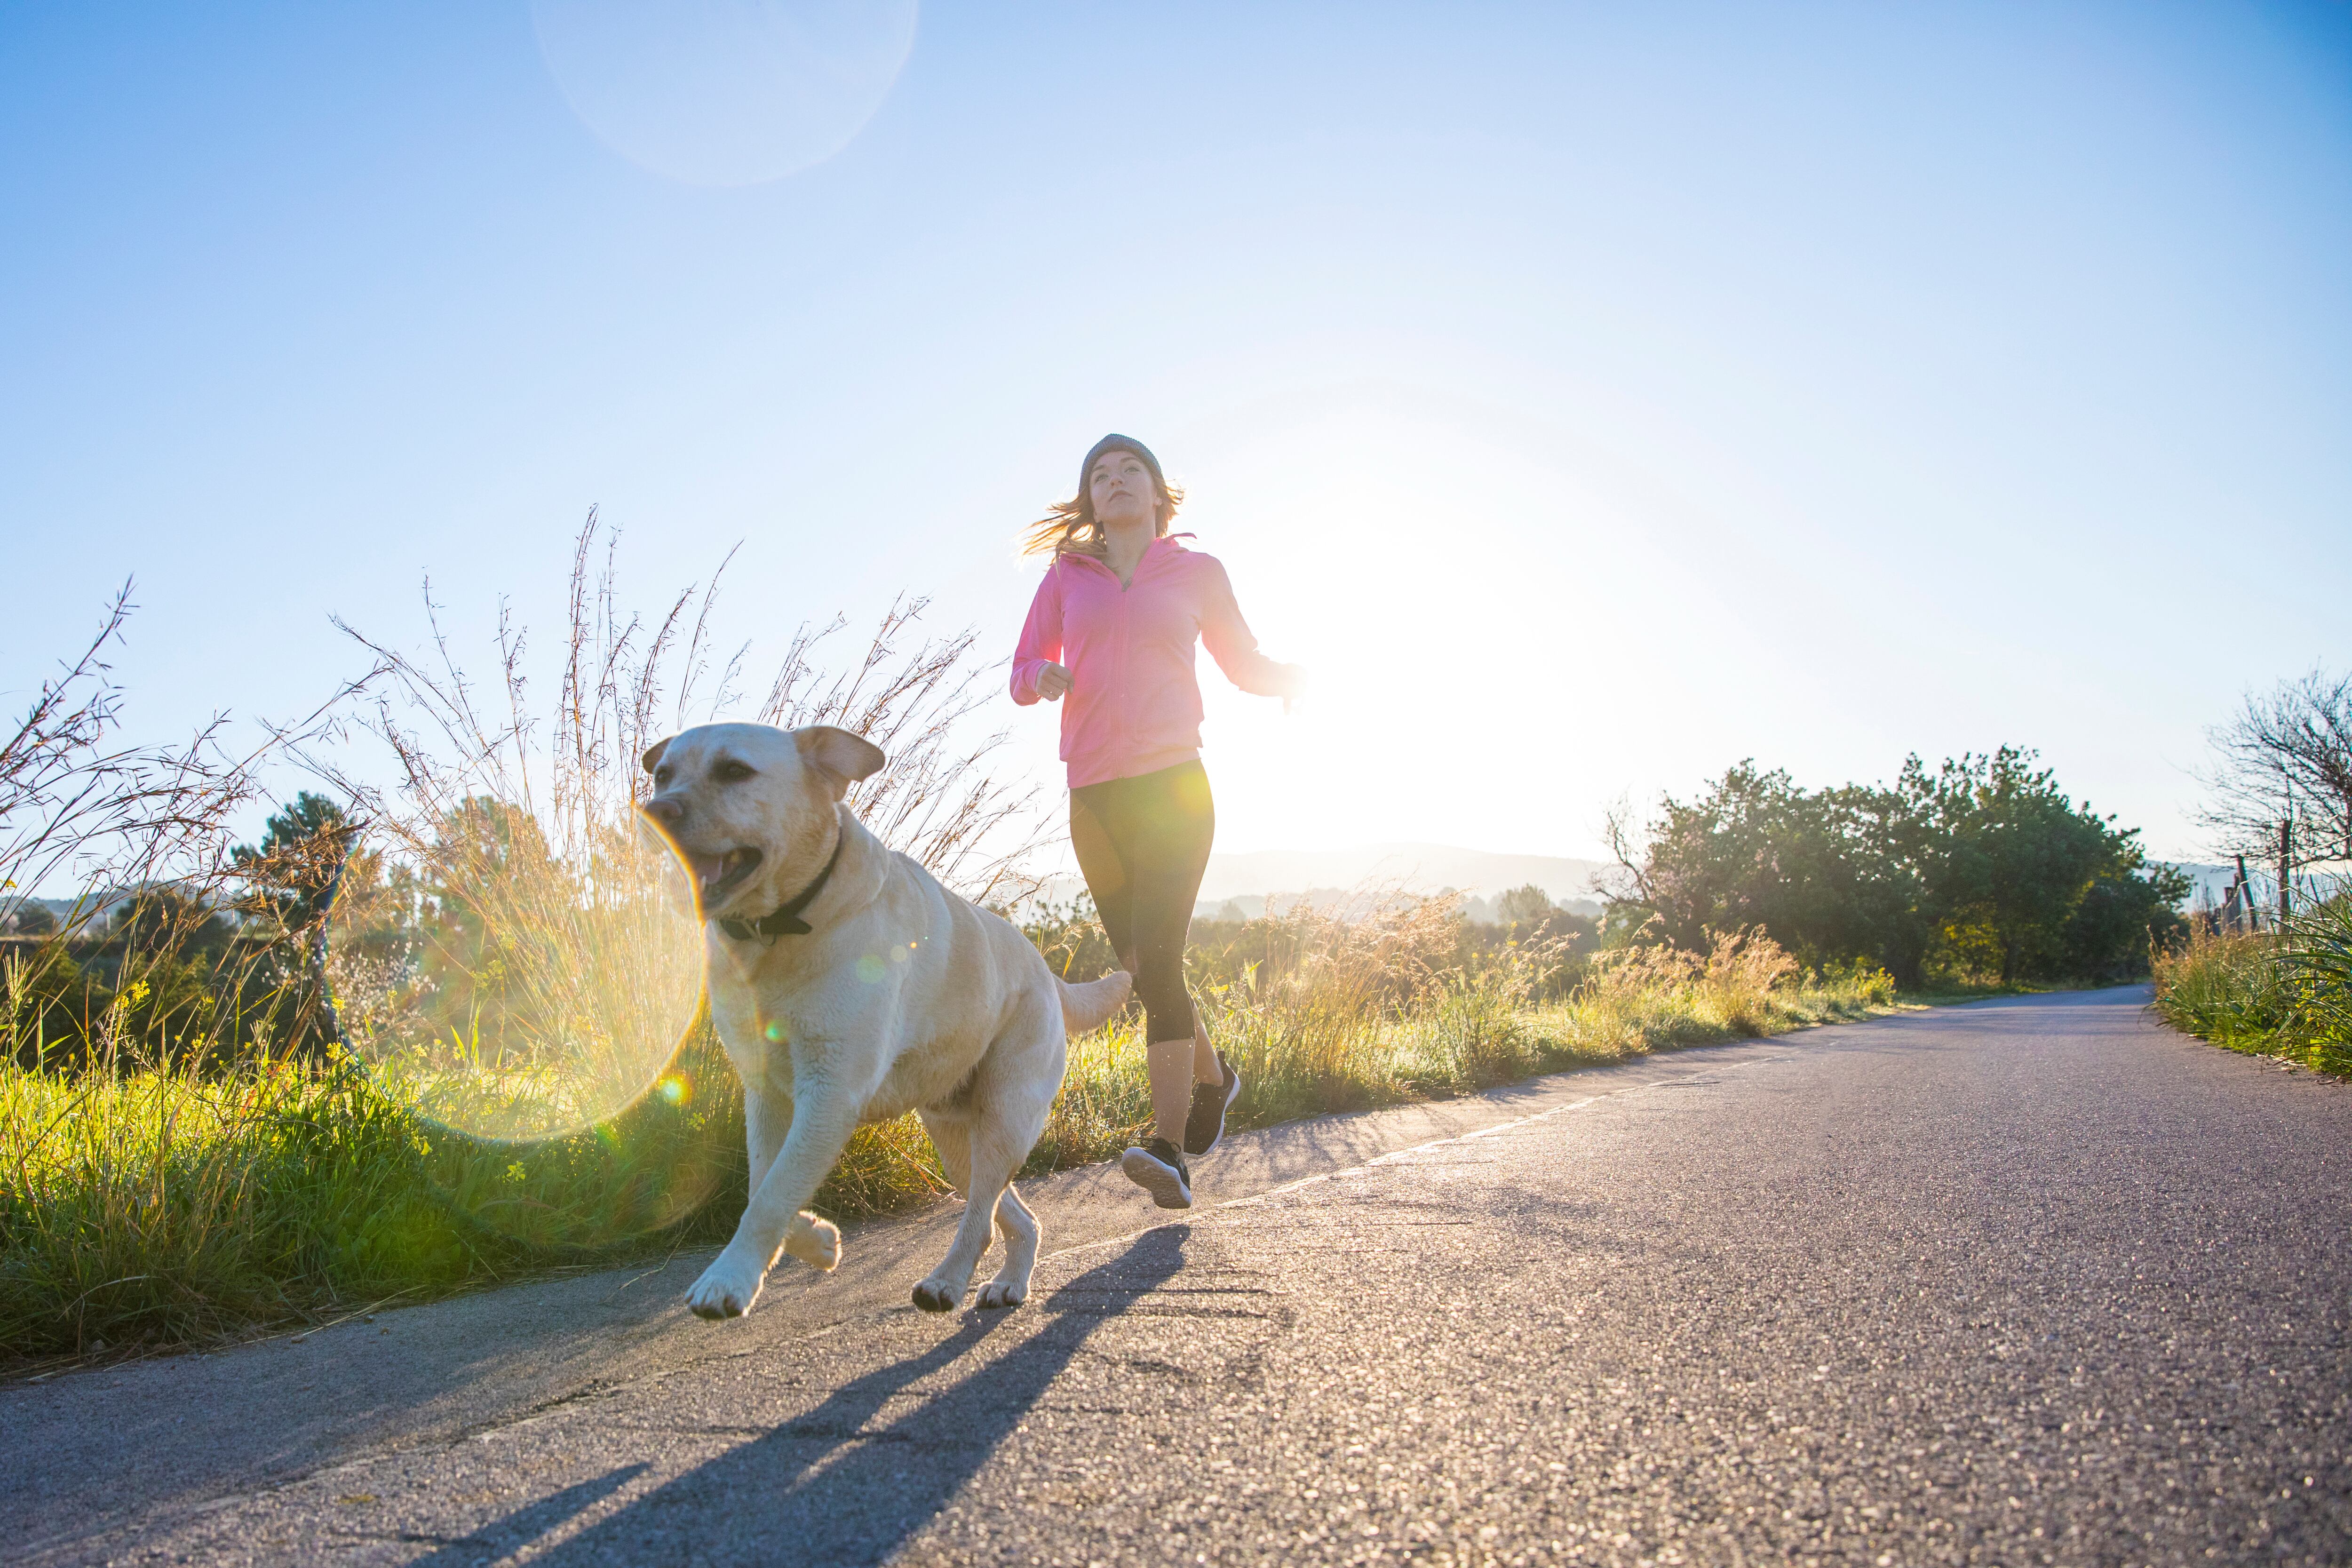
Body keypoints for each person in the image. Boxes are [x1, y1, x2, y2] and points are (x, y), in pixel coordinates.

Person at [1010, 434, 1305, 1209]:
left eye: (1129, 469)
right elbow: (1019, 667)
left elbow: (1241, 662)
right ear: (1089, 502)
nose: (1116, 481)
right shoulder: (1068, 577)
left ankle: (1169, 1148)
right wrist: (1041, 675)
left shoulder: (1197, 572)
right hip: (1094, 797)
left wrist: (1290, 677)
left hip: (1174, 787)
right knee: (1144, 965)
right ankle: (1216, 1078)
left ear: (1157, 489)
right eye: (1100, 476)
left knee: (1162, 961)